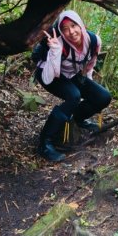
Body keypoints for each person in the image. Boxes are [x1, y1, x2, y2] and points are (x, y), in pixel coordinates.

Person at [34, 9, 111, 162]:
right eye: (64, 28)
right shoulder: (58, 43)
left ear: (81, 25)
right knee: (73, 96)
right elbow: (50, 77)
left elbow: (90, 63)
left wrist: (88, 82)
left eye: (74, 25)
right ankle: (45, 144)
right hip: (49, 73)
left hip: (72, 74)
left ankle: (77, 119)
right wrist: (55, 50)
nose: (71, 32)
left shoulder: (94, 41)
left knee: (103, 97)